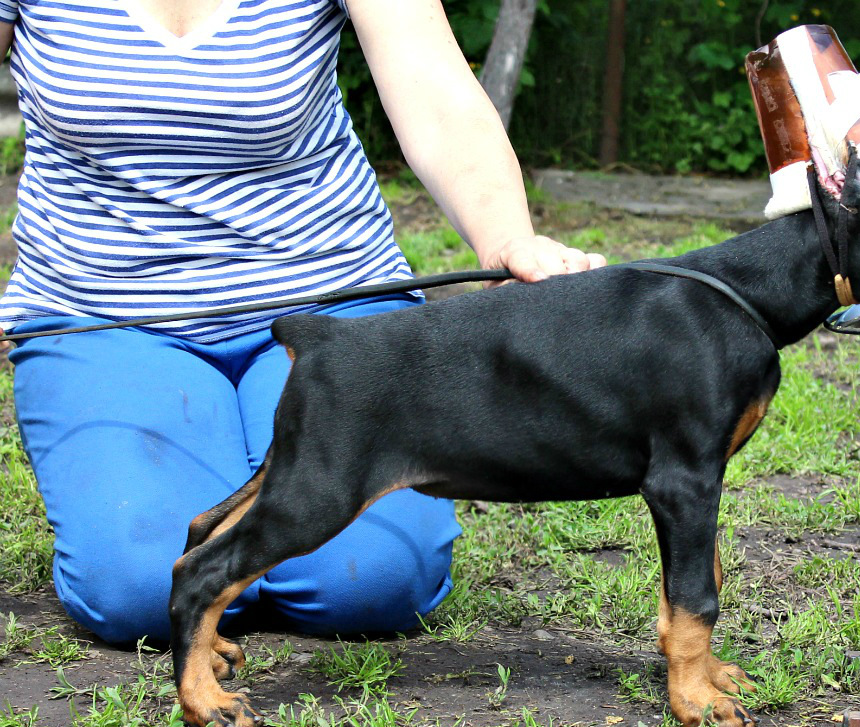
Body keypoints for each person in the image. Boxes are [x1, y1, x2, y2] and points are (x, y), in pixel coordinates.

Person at [0, 0, 605, 644]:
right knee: (143, 588)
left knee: (367, 583)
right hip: (102, 317)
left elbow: (435, 94)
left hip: (332, 308)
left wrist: (508, 238)